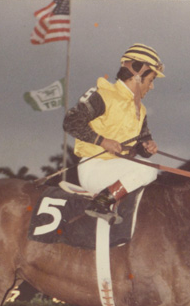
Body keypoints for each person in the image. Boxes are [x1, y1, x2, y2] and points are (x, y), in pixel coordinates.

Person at [63, 43, 164, 222]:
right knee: (149, 171)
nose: (152, 86)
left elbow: (141, 144)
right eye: (151, 80)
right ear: (138, 75)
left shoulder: (141, 109)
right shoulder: (103, 95)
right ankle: (99, 203)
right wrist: (102, 141)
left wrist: (147, 147)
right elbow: (71, 121)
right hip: (94, 169)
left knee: (148, 168)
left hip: (117, 169)